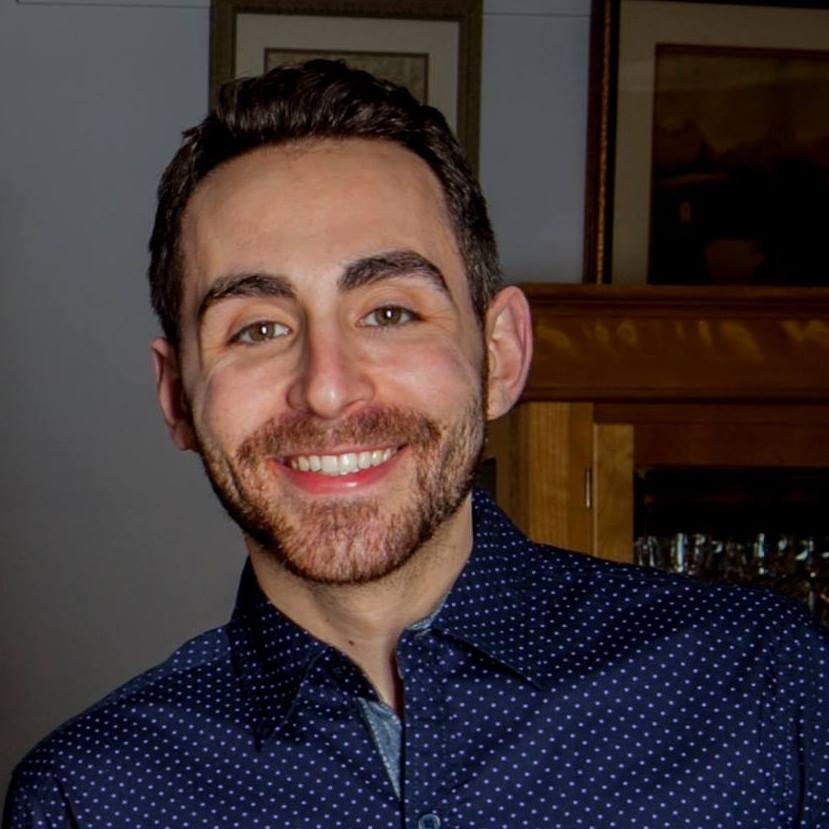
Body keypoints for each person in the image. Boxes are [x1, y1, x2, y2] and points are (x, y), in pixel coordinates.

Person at [4, 60, 828, 828]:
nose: (328, 388)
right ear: (178, 397)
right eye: (256, 328)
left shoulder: (765, 684)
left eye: (390, 312)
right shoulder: (85, 798)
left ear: (500, 354)